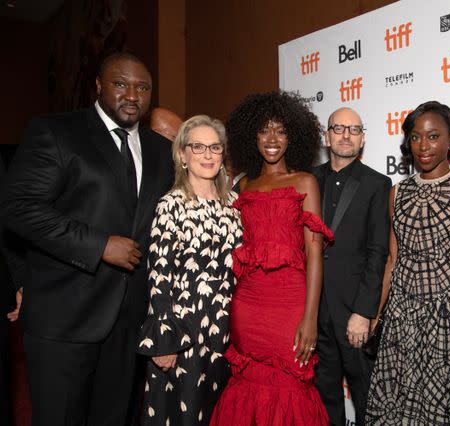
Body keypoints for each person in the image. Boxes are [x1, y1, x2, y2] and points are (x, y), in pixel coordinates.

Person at [0, 52, 174, 425]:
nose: (132, 95)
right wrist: (98, 245)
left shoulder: (162, 150)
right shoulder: (56, 131)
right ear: (97, 86)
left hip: (129, 322)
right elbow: (18, 208)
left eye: (142, 87)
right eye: (120, 84)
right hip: (65, 317)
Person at [210, 91, 332, 425]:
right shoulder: (244, 186)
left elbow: (315, 256)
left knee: (292, 384)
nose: (272, 139)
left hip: (290, 303)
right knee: (247, 383)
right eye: (264, 130)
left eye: (280, 130)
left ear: (293, 136)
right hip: (248, 305)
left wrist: (310, 318)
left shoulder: (305, 182)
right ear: (253, 136)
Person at [366, 101, 450, 425]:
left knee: (437, 403)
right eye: (415, 137)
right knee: (395, 400)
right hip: (401, 313)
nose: (423, 146)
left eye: (433, 137)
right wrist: (378, 314)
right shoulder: (397, 192)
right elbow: (393, 258)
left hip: (445, 315)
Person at [137, 115, 242, 425]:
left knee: (219, 410)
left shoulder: (234, 204)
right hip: (184, 332)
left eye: (215, 147)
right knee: (184, 411)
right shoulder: (171, 204)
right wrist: (164, 338)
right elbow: (158, 274)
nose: (208, 155)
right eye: (198, 147)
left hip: (227, 332)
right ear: (182, 154)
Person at [312, 107, 390, 425]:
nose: (346, 135)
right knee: (323, 395)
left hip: (353, 313)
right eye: (339, 128)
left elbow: (378, 252)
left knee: (365, 395)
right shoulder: (308, 180)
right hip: (316, 311)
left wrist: (364, 312)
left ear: (363, 139)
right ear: (326, 135)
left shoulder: (376, 183)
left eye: (354, 129)